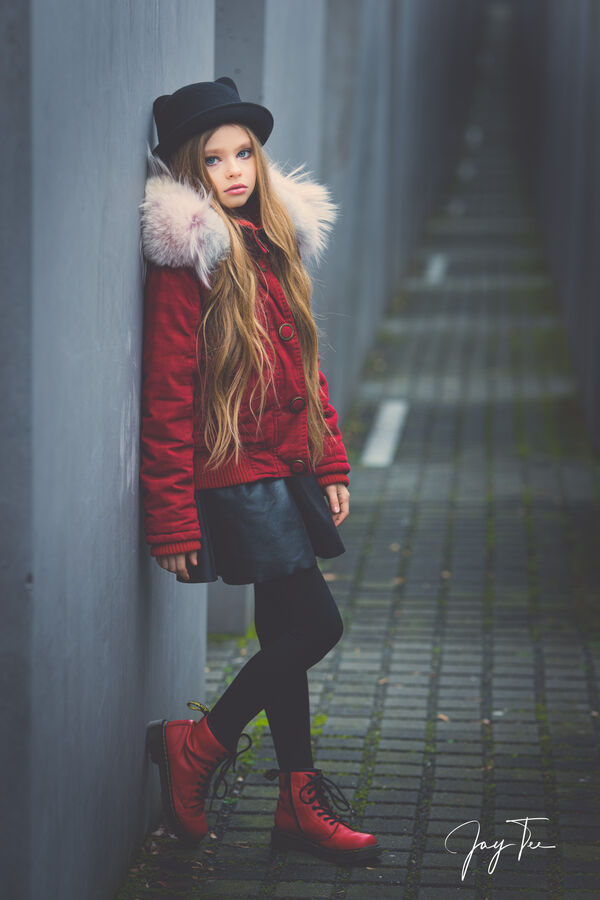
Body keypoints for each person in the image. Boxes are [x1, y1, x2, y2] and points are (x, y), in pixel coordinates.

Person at [140, 77, 380, 865]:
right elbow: (168, 393)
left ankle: (296, 800)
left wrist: (332, 454)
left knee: (284, 629)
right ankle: (199, 744)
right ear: (188, 168)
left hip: (285, 465)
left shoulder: (271, 241)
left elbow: (303, 369)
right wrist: (171, 514)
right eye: (215, 158)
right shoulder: (193, 259)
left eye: (245, 152)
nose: (236, 169)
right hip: (236, 476)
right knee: (316, 625)